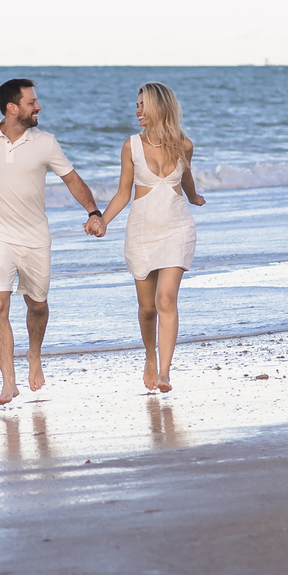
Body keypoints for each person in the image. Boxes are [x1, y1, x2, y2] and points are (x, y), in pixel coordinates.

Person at [0, 78, 105, 405]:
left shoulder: (46, 143)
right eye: (31, 102)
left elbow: (72, 180)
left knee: (36, 304)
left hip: (35, 237)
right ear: (12, 108)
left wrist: (94, 211)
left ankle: (34, 354)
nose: (38, 107)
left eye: (35, 102)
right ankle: (9, 381)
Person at [96, 82, 204, 392]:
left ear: (159, 107)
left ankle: (166, 372)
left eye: (143, 104)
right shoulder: (131, 145)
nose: (137, 110)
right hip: (142, 231)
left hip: (177, 228)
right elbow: (122, 193)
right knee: (147, 308)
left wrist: (194, 197)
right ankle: (150, 356)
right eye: (137, 104)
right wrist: (102, 220)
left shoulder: (184, 145)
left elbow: (186, 178)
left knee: (166, 299)